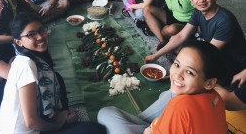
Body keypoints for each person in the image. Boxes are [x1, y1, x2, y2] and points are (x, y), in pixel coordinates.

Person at [0, 12, 106, 134]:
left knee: (56, 77)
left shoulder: (32, 58)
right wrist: (56, 125)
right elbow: (31, 122)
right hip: (30, 130)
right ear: (19, 42)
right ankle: (61, 120)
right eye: (31, 34)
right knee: (94, 130)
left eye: (41, 30)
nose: (40, 37)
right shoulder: (25, 65)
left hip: (37, 123)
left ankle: (62, 115)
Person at [98, 41, 228, 134]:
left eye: (189, 72)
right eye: (177, 65)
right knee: (170, 93)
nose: (177, 75)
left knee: (105, 113)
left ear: (209, 83)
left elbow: (182, 111)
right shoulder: (217, 98)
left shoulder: (179, 106)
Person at [145, 0, 246, 84]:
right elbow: (181, 36)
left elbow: (208, 54)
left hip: (231, 62)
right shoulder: (198, 12)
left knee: (195, 79)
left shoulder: (225, 20)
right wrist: (156, 56)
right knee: (182, 48)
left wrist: (181, 71)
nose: (201, 0)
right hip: (211, 48)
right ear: (192, 1)